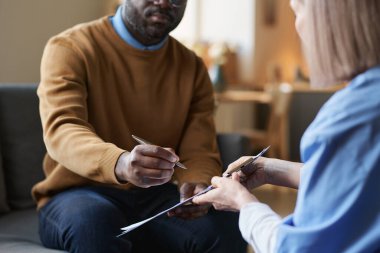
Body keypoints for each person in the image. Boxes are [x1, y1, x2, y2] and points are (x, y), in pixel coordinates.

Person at [32, 0, 237, 252]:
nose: (164, 2)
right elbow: (62, 129)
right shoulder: (70, 48)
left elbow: (199, 147)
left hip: (155, 196)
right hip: (77, 192)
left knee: (226, 224)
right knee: (95, 223)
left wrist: (196, 183)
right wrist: (119, 163)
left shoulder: (192, 67)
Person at [193, 0, 380, 252]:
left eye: (297, 12)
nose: (298, 28)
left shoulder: (348, 120)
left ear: (328, 21)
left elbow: (296, 249)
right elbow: (359, 179)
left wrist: (244, 204)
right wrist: (271, 169)